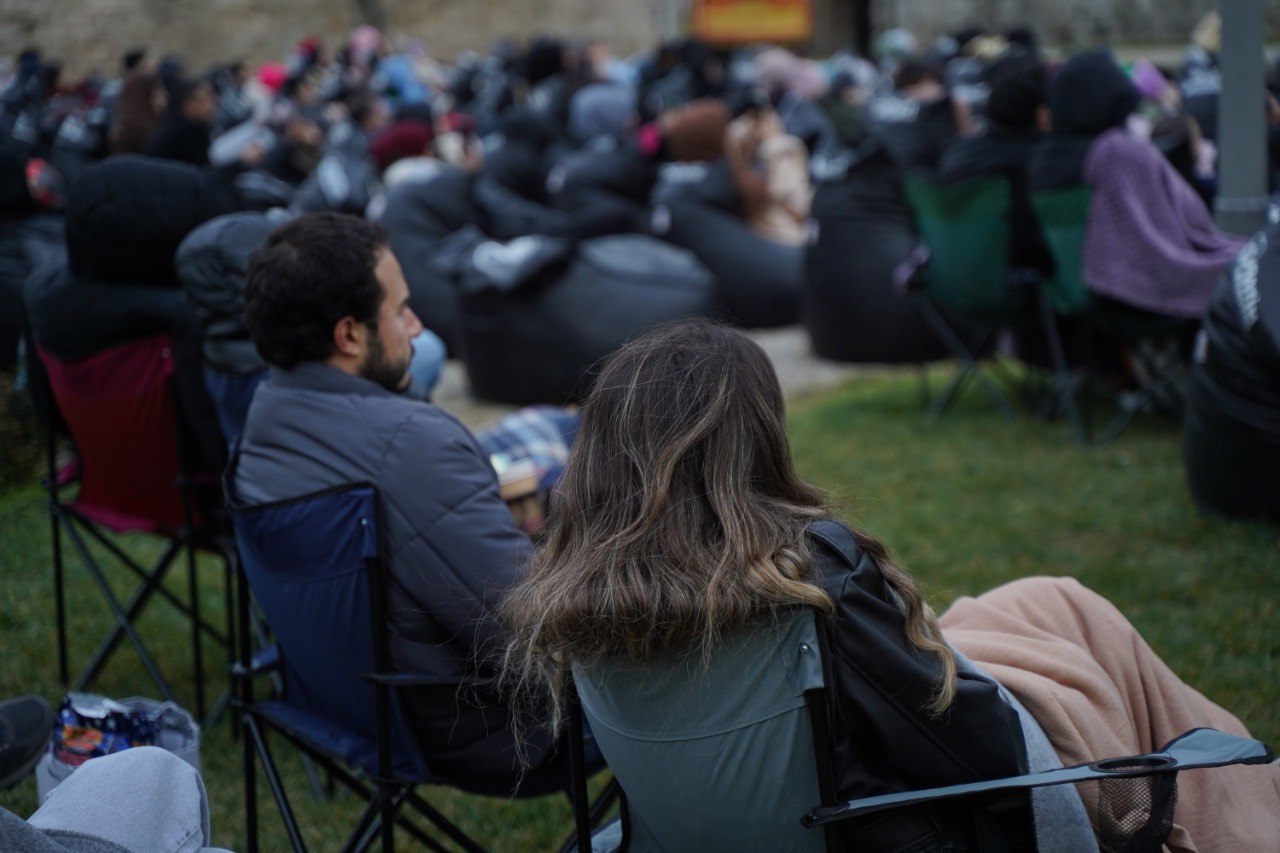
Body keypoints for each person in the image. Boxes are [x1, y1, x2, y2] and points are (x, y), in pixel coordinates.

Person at [502, 320, 1280, 850]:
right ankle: (1239, 804)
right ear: (752, 442)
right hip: (893, 821)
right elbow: (972, 748)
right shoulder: (805, 579)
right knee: (1084, 642)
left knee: (1050, 598)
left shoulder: (573, 596)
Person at [231, 212, 593, 795]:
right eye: (400, 310)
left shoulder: (259, 428)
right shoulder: (411, 444)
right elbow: (536, 634)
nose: (417, 326)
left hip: (350, 710)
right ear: (349, 336)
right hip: (494, 733)